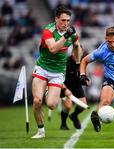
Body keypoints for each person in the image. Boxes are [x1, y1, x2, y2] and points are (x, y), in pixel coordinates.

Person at [31, 6, 82, 139]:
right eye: (63, 20)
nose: (66, 23)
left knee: (52, 105)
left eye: (68, 21)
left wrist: (77, 62)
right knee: (37, 101)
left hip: (58, 73)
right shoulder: (48, 31)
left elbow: (77, 46)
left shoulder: (72, 34)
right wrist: (66, 36)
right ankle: (41, 131)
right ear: (56, 19)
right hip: (42, 68)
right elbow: (53, 49)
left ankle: (48, 88)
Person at [59, 53, 87, 130]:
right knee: (68, 106)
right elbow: (59, 77)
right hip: (65, 86)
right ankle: (63, 124)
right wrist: (64, 89)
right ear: (72, 52)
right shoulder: (66, 62)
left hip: (77, 86)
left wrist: (85, 81)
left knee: (83, 105)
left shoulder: (83, 60)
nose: (78, 54)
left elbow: (82, 74)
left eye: (80, 52)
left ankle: (74, 116)